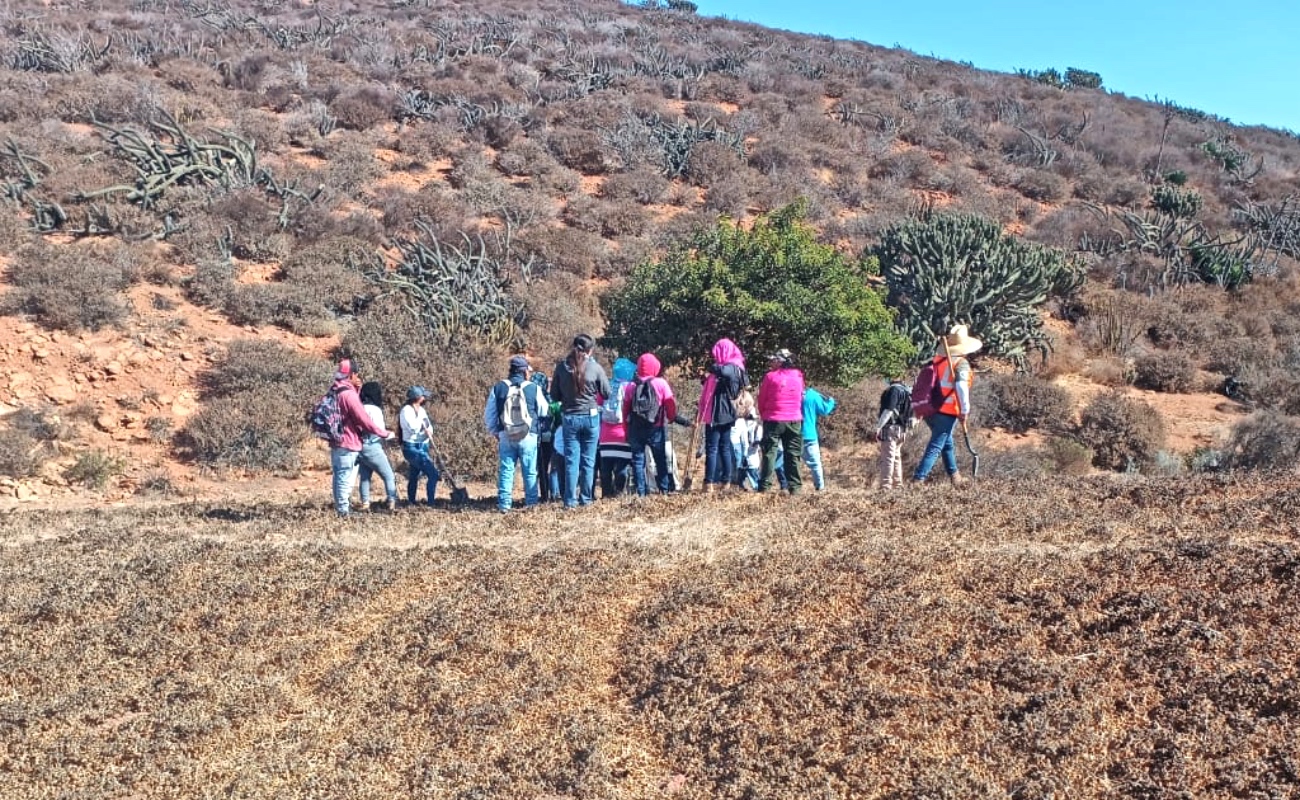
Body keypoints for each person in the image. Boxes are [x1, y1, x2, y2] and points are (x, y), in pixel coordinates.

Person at [912, 324, 981, 486]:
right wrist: (964, 410)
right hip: (947, 411)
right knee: (936, 445)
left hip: (930, 408)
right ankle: (918, 480)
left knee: (946, 443)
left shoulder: (938, 359)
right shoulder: (961, 364)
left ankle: (955, 476)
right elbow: (961, 387)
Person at [326, 359, 394, 517]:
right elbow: (363, 419)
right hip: (348, 440)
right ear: (353, 374)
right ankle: (343, 512)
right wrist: (384, 433)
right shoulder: (349, 395)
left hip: (336, 439)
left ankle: (341, 508)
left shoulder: (336, 390)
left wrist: (357, 389)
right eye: (356, 374)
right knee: (344, 476)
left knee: (339, 475)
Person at [551, 334, 612, 509]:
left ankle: (570, 501)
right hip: (590, 417)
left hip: (569, 417)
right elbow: (607, 393)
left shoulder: (562, 368)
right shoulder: (595, 368)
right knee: (588, 461)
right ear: (590, 350)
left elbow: (554, 395)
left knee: (572, 461)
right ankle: (586, 499)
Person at [484, 355, 547, 512]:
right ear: (525, 371)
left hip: (506, 433)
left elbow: (489, 415)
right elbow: (544, 410)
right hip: (528, 435)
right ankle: (531, 504)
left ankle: (504, 505)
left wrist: (495, 432)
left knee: (506, 470)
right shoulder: (533, 388)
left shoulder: (499, 387)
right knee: (530, 471)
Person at [623, 352, 679, 496]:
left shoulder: (631, 386)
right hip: (656, 427)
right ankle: (664, 490)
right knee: (660, 459)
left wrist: (626, 430)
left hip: (636, 428)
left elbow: (625, 410)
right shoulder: (661, 383)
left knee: (638, 460)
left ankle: (641, 492)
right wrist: (671, 417)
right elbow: (670, 404)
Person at [699, 338, 748, 493]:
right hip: (727, 413)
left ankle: (709, 482)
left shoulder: (731, 367)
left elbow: (720, 371)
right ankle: (726, 481)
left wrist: (713, 367)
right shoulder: (738, 367)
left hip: (718, 413)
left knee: (713, 448)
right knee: (724, 447)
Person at [757, 348, 805, 494]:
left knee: (769, 453)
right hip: (794, 419)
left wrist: (764, 414)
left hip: (773, 420)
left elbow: (762, 399)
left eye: (773, 360)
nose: (771, 362)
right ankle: (795, 488)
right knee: (793, 454)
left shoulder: (770, 377)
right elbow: (801, 397)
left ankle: (765, 487)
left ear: (780, 361)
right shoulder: (798, 375)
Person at [356, 381, 399, 511]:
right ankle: (391, 502)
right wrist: (391, 435)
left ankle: (365, 503)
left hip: (359, 446)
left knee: (365, 477)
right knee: (389, 475)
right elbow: (378, 430)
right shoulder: (375, 410)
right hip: (373, 446)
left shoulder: (359, 407)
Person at [598, 357, 636, 498]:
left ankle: (606, 495)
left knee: (605, 467)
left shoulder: (606, 385)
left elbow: (599, 404)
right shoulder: (630, 387)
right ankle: (619, 494)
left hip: (605, 434)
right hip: (623, 433)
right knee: (621, 467)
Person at [399, 386, 440, 507]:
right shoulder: (406, 411)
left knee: (414, 474)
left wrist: (429, 431)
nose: (425, 397)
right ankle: (431, 503)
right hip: (411, 447)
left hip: (423, 445)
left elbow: (428, 424)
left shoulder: (422, 410)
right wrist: (422, 428)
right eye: (423, 395)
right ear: (417, 397)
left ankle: (411, 501)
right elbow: (412, 428)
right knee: (433, 474)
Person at [875, 374, 913, 490]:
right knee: (896, 457)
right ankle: (898, 485)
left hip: (890, 427)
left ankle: (885, 486)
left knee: (887, 458)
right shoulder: (907, 392)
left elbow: (889, 410)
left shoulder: (893, 390)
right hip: (901, 429)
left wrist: (879, 427)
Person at [800, 386, 837, 491]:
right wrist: (831, 402)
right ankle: (819, 488)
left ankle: (793, 488)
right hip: (810, 434)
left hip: (793, 435)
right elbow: (824, 410)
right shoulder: (813, 395)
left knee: (792, 463)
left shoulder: (791, 393)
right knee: (815, 464)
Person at [531, 371, 555, 503]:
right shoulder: (549, 398)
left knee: (532, 468)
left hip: (532, 435)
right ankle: (546, 496)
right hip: (548, 437)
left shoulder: (528, 395)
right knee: (544, 468)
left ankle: (533, 495)